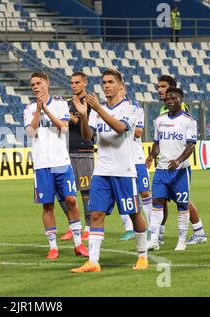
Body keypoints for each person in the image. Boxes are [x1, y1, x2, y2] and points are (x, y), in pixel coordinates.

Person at [71, 68, 148, 273]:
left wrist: (97, 109)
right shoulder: (97, 110)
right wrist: (84, 115)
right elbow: (88, 136)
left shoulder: (130, 108)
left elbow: (120, 128)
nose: (106, 85)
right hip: (102, 171)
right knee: (96, 214)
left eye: (110, 82)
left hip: (124, 171)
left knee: (134, 213)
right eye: (104, 82)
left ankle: (142, 255)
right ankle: (93, 261)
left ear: (120, 86)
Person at [24, 71, 88, 260]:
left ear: (47, 83)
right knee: (48, 206)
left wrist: (47, 110)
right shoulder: (29, 109)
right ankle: (53, 247)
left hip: (61, 162)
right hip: (42, 164)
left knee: (71, 200)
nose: (35, 86)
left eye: (38, 83)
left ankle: (78, 243)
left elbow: (64, 127)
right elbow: (30, 132)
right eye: (33, 84)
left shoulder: (60, 104)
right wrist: (38, 110)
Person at [156, 75, 207, 246]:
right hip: (165, 164)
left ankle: (199, 231)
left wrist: (178, 159)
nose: (160, 90)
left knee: (181, 200)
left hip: (178, 165)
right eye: (158, 87)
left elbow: (186, 134)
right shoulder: (164, 112)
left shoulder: (180, 109)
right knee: (162, 199)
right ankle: (159, 234)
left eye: (163, 87)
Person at [146, 87, 196, 251]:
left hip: (180, 171)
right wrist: (152, 156)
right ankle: (153, 239)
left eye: (173, 98)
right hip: (161, 170)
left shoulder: (189, 120)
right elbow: (156, 142)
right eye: (167, 99)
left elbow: (191, 146)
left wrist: (179, 160)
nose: (169, 101)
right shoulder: (160, 120)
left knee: (182, 205)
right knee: (157, 202)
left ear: (181, 100)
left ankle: (181, 240)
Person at [59, 72, 94, 242]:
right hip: (66, 152)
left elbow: (86, 125)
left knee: (86, 192)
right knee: (67, 192)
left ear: (85, 83)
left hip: (84, 152)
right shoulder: (66, 104)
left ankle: (88, 227)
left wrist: (70, 116)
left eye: (77, 82)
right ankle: (73, 227)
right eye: (72, 82)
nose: (73, 85)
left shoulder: (91, 103)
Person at [119, 99, 153, 241]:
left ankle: (152, 228)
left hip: (137, 157)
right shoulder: (108, 109)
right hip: (120, 158)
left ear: (122, 88)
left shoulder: (135, 107)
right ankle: (129, 229)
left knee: (144, 192)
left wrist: (118, 128)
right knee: (124, 194)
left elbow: (138, 132)